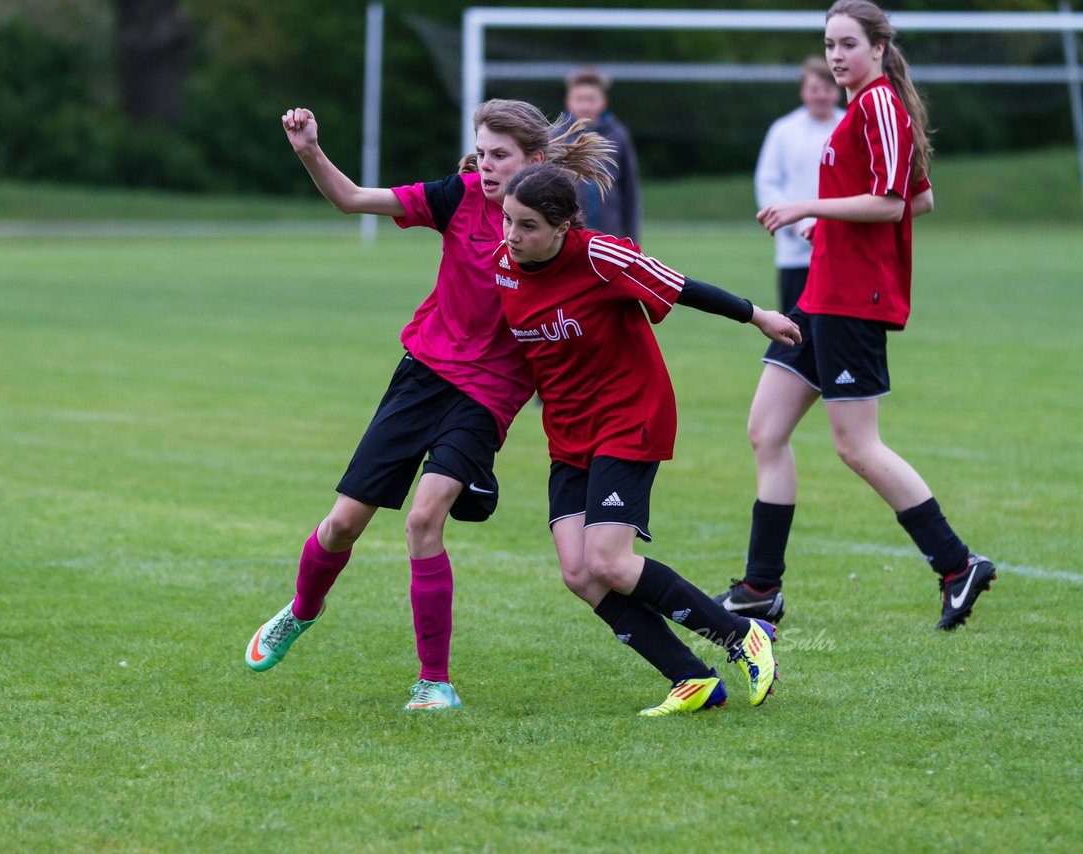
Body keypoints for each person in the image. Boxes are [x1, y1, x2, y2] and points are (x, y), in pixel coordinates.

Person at [244, 100, 616, 711]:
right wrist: (309, 149)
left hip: (489, 395)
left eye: (502, 155)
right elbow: (353, 200)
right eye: (483, 152)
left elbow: (607, 303)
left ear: (536, 161)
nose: (487, 166)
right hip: (422, 376)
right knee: (342, 525)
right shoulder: (457, 197)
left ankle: (433, 681)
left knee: (423, 519)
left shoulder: (557, 233)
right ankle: (302, 609)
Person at [713, 0, 997, 631]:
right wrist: (831, 229)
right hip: (822, 294)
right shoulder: (861, 109)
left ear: (877, 48)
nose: (837, 55)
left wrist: (805, 209)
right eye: (829, 44)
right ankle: (761, 587)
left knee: (857, 445)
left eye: (847, 43)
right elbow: (915, 199)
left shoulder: (878, 106)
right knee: (766, 430)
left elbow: (898, 201)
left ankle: (957, 565)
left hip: (852, 302)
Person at [497, 162, 801, 716]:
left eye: (528, 226)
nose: (512, 236)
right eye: (508, 221)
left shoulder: (598, 256)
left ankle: (742, 635)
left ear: (564, 226)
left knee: (609, 561)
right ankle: (691, 678)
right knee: (579, 572)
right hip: (567, 431)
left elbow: (681, 287)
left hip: (627, 414)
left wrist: (758, 315)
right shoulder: (504, 266)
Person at [754, 57, 845, 314]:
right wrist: (794, 224)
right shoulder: (783, 130)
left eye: (827, 88)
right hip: (794, 254)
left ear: (837, 90)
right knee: (795, 330)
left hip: (840, 252)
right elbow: (768, 182)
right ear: (803, 91)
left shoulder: (849, 127)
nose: (821, 95)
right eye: (814, 89)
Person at [564, 67, 642, 242]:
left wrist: (632, 238)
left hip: (609, 233)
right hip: (568, 236)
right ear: (569, 101)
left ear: (603, 102)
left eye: (591, 99)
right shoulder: (558, 136)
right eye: (579, 99)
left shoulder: (618, 135)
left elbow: (630, 190)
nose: (585, 105)